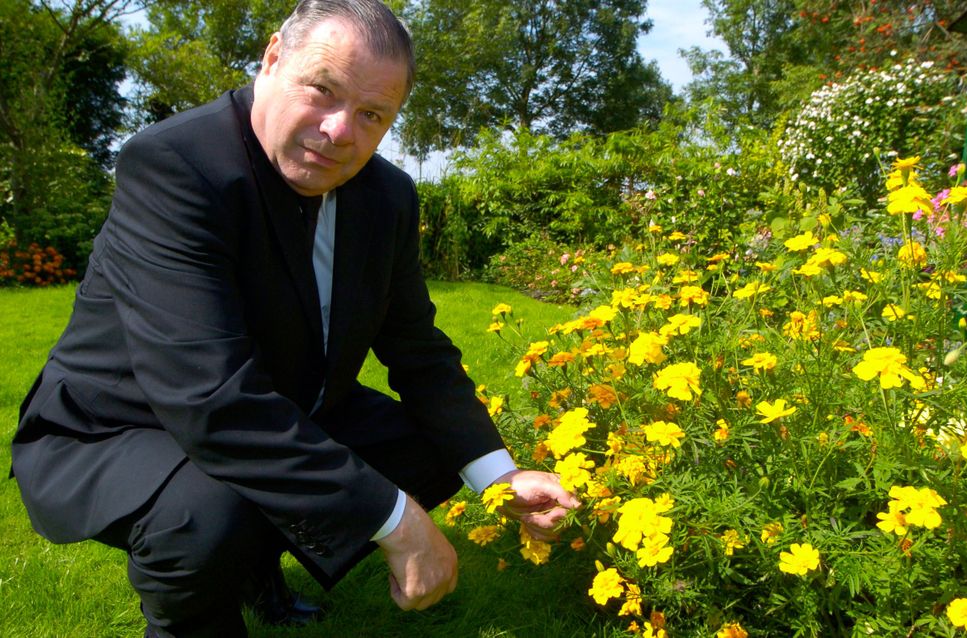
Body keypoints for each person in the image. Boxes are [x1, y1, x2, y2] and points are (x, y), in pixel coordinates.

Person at [9, 1, 578, 636]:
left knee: (435, 447)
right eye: (322, 90)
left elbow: (418, 348)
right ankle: (193, 617)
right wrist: (397, 520)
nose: (340, 131)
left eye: (372, 115)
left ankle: (257, 562)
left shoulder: (387, 197)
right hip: (121, 425)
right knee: (206, 517)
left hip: (279, 404)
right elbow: (208, 397)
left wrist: (502, 478)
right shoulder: (175, 166)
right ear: (273, 57)